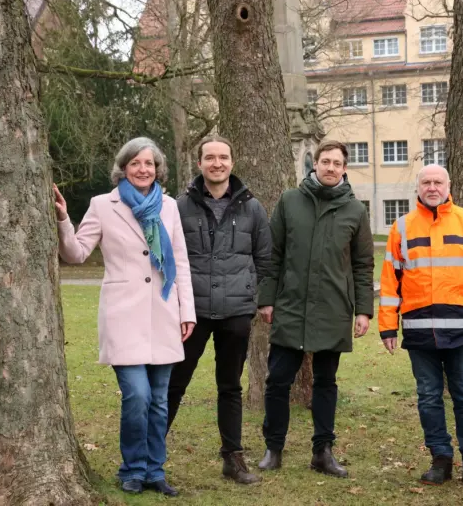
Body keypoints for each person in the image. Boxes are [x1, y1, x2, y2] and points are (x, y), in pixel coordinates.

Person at [54, 137, 195, 497]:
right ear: (123, 168)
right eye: (136, 164)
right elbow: (77, 253)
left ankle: (155, 471)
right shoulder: (104, 204)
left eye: (149, 164)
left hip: (164, 314)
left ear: (158, 169)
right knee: (137, 396)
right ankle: (131, 468)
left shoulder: (168, 206)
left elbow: (179, 262)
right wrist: (62, 219)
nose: (143, 169)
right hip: (123, 316)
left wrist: (186, 311)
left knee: (160, 400)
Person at [378, 164, 463, 494]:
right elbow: (390, 281)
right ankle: (440, 460)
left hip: (462, 332)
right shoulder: (402, 228)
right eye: (426, 182)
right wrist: (388, 327)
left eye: (438, 182)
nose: (432, 187)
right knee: (428, 398)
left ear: (449, 185)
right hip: (419, 333)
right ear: (418, 187)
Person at [256, 140, 374, 478]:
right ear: (315, 164)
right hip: (291, 308)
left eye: (337, 163)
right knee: (278, 380)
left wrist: (363, 310)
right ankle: (273, 448)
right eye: (325, 161)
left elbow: (363, 264)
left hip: (333, 309)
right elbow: (273, 255)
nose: (331, 167)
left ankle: (322, 451)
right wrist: (266, 298)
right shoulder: (290, 201)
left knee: (326, 382)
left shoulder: (355, 210)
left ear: (344, 169)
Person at [167, 135, 271, 484]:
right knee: (174, 384)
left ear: (232, 162)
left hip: (236, 313)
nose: (217, 163)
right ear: (199, 163)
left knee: (230, 387)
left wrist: (255, 296)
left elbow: (265, 259)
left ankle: (233, 458)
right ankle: (151, 456)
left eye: (223, 157)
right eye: (210, 158)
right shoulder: (180, 207)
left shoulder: (252, 208)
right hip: (190, 314)